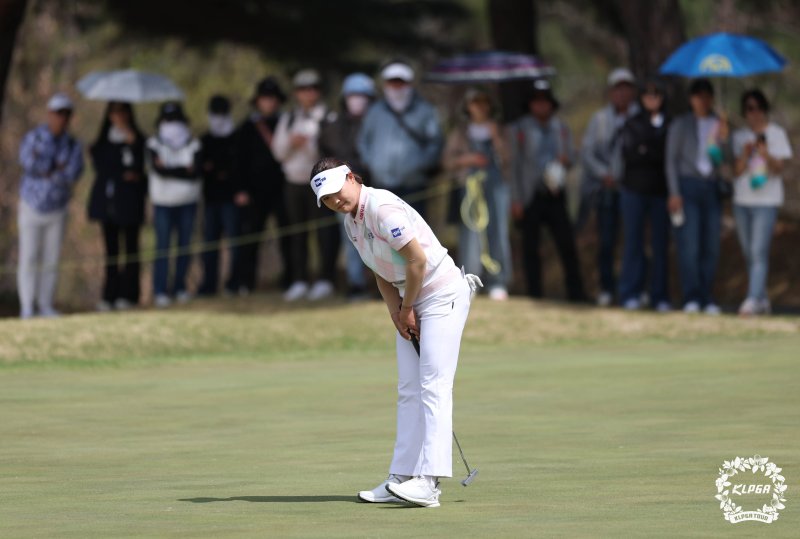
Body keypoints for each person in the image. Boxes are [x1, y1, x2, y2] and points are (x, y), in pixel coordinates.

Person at [309, 157, 481, 508]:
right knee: (408, 389)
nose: (335, 201)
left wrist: (406, 308)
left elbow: (416, 261)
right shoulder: (350, 223)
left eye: (336, 192)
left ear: (352, 178)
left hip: (441, 294)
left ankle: (429, 483)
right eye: (326, 199)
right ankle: (401, 477)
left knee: (433, 385)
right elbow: (380, 270)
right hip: (410, 299)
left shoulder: (383, 209)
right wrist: (395, 311)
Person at [509, 80, 587, 302]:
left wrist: (566, 160)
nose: (541, 106)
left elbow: (572, 156)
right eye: (537, 102)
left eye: (545, 102)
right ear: (531, 104)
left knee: (566, 244)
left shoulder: (561, 128)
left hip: (555, 193)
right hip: (530, 196)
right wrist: (516, 199)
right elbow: (514, 165)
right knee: (531, 247)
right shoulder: (520, 129)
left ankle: (576, 292)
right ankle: (535, 293)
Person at [272, 69, 338, 302]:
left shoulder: (328, 117)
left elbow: (331, 153)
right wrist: (292, 143)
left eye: (313, 88)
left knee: (324, 234)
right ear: (296, 93)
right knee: (296, 233)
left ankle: (325, 279)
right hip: (294, 182)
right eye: (303, 89)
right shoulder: (289, 118)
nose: (308, 93)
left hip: (320, 184)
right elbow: (278, 153)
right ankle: (299, 280)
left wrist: (309, 145)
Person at [17, 92, 84, 319]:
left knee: (51, 258)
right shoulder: (34, 137)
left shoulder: (73, 144)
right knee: (29, 256)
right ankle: (27, 306)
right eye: (58, 113)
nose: (61, 118)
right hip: (31, 205)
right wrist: (54, 167)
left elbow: (73, 172)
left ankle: (45, 304)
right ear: (49, 113)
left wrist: (49, 169)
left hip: (57, 207)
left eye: (66, 114)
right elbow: (29, 162)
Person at [665, 78, 730, 314]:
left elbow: (723, 160)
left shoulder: (719, 124)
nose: (703, 101)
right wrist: (674, 192)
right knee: (689, 244)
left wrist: (724, 138)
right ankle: (691, 295)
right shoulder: (681, 125)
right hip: (688, 186)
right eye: (698, 96)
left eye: (706, 96)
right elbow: (671, 161)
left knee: (710, 245)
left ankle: (707, 295)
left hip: (711, 186)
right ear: (691, 99)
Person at [443, 87, 512, 301]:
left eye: (484, 102)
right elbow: (447, 161)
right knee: (471, 234)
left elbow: (509, 158)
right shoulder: (461, 132)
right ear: (468, 106)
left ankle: (498, 281)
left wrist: (496, 138)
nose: (480, 107)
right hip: (469, 187)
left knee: (497, 231)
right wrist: (468, 159)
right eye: (475, 102)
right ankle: (470, 280)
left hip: (496, 187)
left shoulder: (499, 129)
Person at [731, 89, 793, 316]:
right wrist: (746, 154)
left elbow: (779, 168)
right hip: (742, 200)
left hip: (766, 200)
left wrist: (765, 153)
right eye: (749, 108)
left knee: (759, 250)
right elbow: (736, 171)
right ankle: (762, 298)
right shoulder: (739, 136)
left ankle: (752, 299)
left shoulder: (776, 134)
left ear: (764, 109)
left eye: (757, 107)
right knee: (749, 252)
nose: (753, 113)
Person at [580, 67, 639, 306]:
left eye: (626, 88)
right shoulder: (600, 119)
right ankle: (606, 287)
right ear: (611, 92)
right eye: (618, 88)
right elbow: (587, 152)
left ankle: (633, 289)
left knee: (633, 241)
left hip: (633, 188)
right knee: (606, 241)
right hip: (606, 189)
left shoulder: (639, 115)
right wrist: (603, 174)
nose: (622, 93)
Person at [613, 78, 671, 312]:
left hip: (660, 191)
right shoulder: (632, 123)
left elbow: (664, 155)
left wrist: (647, 149)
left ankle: (659, 295)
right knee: (633, 243)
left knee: (660, 245)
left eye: (656, 95)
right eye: (647, 95)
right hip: (634, 190)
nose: (652, 99)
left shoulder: (669, 123)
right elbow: (631, 154)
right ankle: (630, 292)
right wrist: (649, 150)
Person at [357, 61, 444, 217]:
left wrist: (420, 164)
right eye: (392, 82)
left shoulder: (425, 110)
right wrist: (371, 163)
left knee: (415, 231)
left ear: (409, 84)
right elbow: (363, 141)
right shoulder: (375, 110)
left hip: (414, 184)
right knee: (383, 231)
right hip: (381, 184)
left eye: (400, 82)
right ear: (385, 84)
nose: (396, 87)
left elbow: (435, 142)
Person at [318, 73, 376, 301]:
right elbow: (325, 153)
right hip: (343, 190)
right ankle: (356, 285)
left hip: (374, 189)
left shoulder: (378, 121)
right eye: (353, 95)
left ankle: (386, 284)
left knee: (379, 239)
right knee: (352, 238)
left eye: (363, 96)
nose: (358, 100)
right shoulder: (333, 124)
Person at [232, 76, 291, 295]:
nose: (270, 103)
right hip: (253, 192)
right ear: (257, 101)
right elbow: (237, 161)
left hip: (282, 189)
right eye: (265, 98)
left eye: (273, 98)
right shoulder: (247, 127)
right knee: (250, 238)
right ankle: (246, 282)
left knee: (288, 236)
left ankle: (290, 281)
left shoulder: (286, 122)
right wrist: (240, 189)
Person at [87, 101, 146, 311]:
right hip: (108, 204)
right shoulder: (103, 142)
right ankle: (109, 295)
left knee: (130, 249)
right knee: (111, 252)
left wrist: (134, 144)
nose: (119, 117)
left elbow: (141, 170)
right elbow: (103, 167)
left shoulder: (139, 139)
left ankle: (129, 295)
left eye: (122, 112)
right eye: (115, 112)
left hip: (130, 204)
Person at [146, 101, 202, 308]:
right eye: (169, 120)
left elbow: (195, 172)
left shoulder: (193, 143)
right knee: (163, 247)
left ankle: (180, 286)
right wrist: (182, 170)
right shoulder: (154, 143)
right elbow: (158, 170)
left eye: (176, 120)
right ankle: (160, 290)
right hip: (163, 202)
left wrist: (170, 169)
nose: (173, 125)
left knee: (184, 246)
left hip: (188, 201)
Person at [198, 95, 238, 296]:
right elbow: (201, 168)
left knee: (235, 244)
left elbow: (239, 169)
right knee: (209, 244)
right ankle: (208, 285)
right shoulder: (205, 140)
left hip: (232, 199)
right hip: (210, 199)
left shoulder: (236, 138)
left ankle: (234, 284)